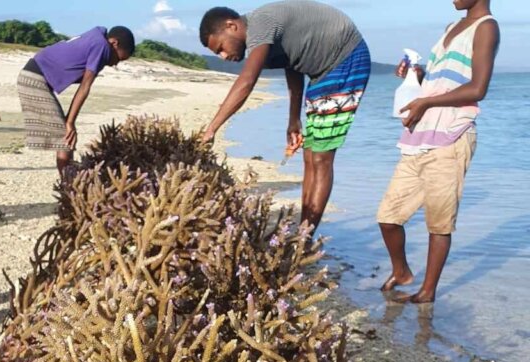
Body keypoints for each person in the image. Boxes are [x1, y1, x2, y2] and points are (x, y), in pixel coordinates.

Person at [198, 3, 370, 230]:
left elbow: (247, 81)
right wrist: (293, 119)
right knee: (310, 155)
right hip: (320, 73)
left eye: (220, 47)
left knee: (321, 157)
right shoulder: (261, 42)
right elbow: (293, 65)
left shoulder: (260, 25)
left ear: (232, 26)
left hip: (346, 57)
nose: (223, 56)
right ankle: (304, 231)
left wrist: (212, 128)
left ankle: (304, 239)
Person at [377, 0, 499, 304]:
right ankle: (402, 271)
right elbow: (436, 83)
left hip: (452, 135)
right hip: (420, 134)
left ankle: (428, 292)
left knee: (439, 221)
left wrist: (426, 103)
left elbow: (478, 88)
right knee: (388, 217)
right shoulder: (450, 28)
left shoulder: (486, 28)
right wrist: (413, 76)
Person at [17, 26, 136, 176]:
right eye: (118, 58)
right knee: (65, 138)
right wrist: (70, 123)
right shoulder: (101, 46)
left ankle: (69, 181)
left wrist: (69, 121)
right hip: (33, 78)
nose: (115, 64)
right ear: (114, 43)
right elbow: (85, 86)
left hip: (34, 74)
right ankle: (69, 186)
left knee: (65, 138)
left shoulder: (96, 39)